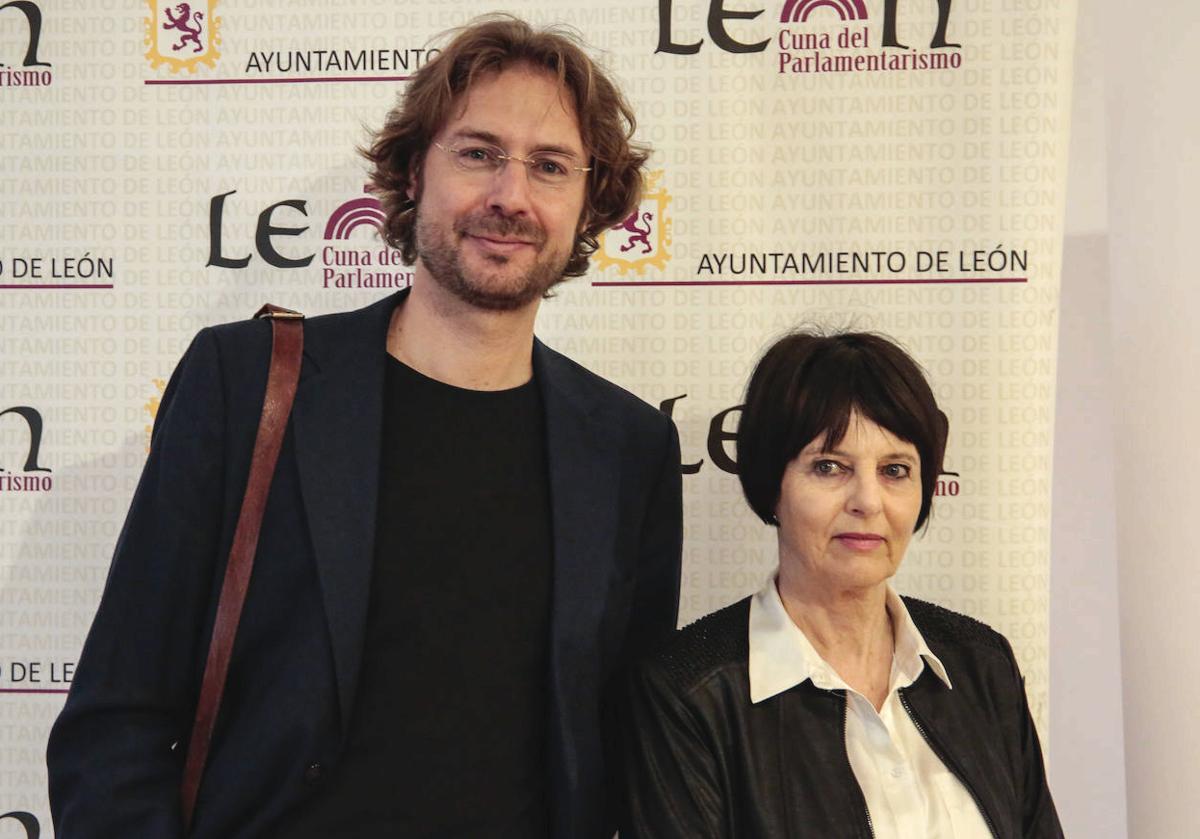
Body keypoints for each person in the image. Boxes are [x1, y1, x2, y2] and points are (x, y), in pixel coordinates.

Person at [47, 16, 682, 839]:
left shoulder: (629, 450)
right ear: (416, 169)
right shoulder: (248, 384)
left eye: (550, 166)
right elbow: (114, 725)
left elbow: (627, 758)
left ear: (590, 201)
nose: (510, 195)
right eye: (478, 152)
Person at [619, 332, 1062, 838]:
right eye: (829, 467)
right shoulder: (689, 693)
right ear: (772, 485)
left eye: (896, 470)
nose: (868, 501)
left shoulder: (982, 665)